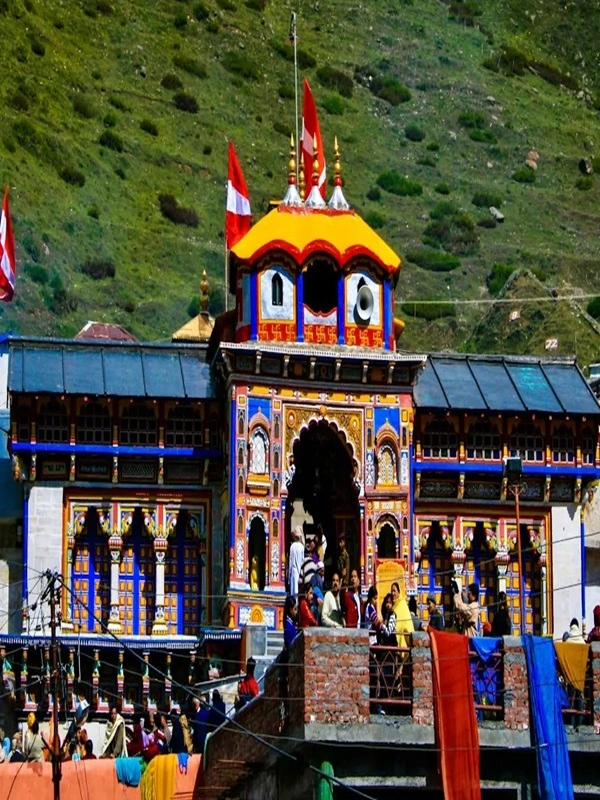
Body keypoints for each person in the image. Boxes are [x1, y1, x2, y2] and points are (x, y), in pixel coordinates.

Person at [391, 581, 414, 646]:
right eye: (391, 591)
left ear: (398, 592)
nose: (393, 593)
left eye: (394, 591)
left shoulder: (402, 604)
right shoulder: (394, 606)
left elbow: (403, 623)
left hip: (403, 640)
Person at [288, 526, 305, 599]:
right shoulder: (301, 547)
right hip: (299, 572)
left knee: (293, 590)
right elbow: (302, 560)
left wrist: (289, 575)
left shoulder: (292, 546)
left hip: (293, 571)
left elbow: (290, 561)